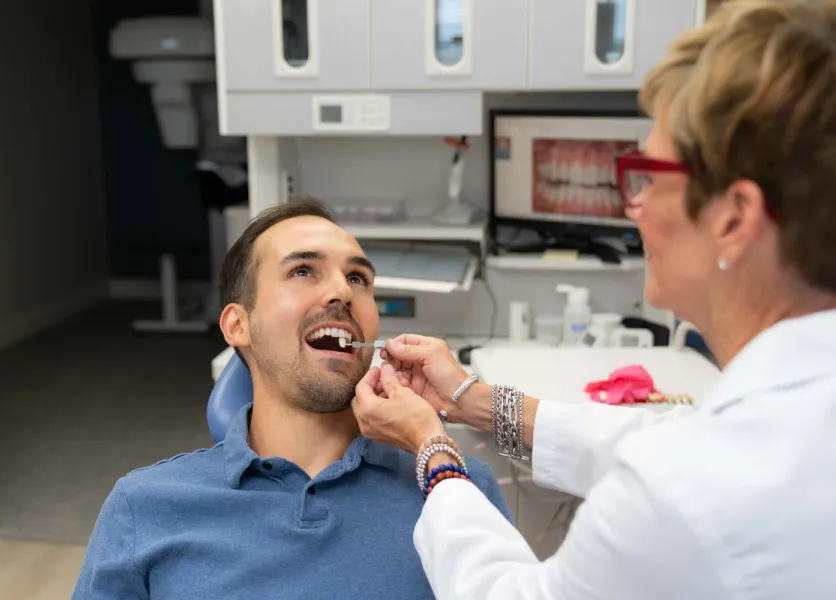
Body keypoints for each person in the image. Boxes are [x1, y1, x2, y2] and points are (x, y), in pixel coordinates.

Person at [353, 1, 836, 598]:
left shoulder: (689, 492)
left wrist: (433, 451)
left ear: (733, 219)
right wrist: (469, 398)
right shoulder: (783, 421)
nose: (632, 207)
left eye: (647, 178)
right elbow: (655, 440)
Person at [72, 199, 509, 599]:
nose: (342, 291)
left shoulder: (454, 487)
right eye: (302, 271)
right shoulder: (144, 507)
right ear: (237, 326)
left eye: (358, 278)